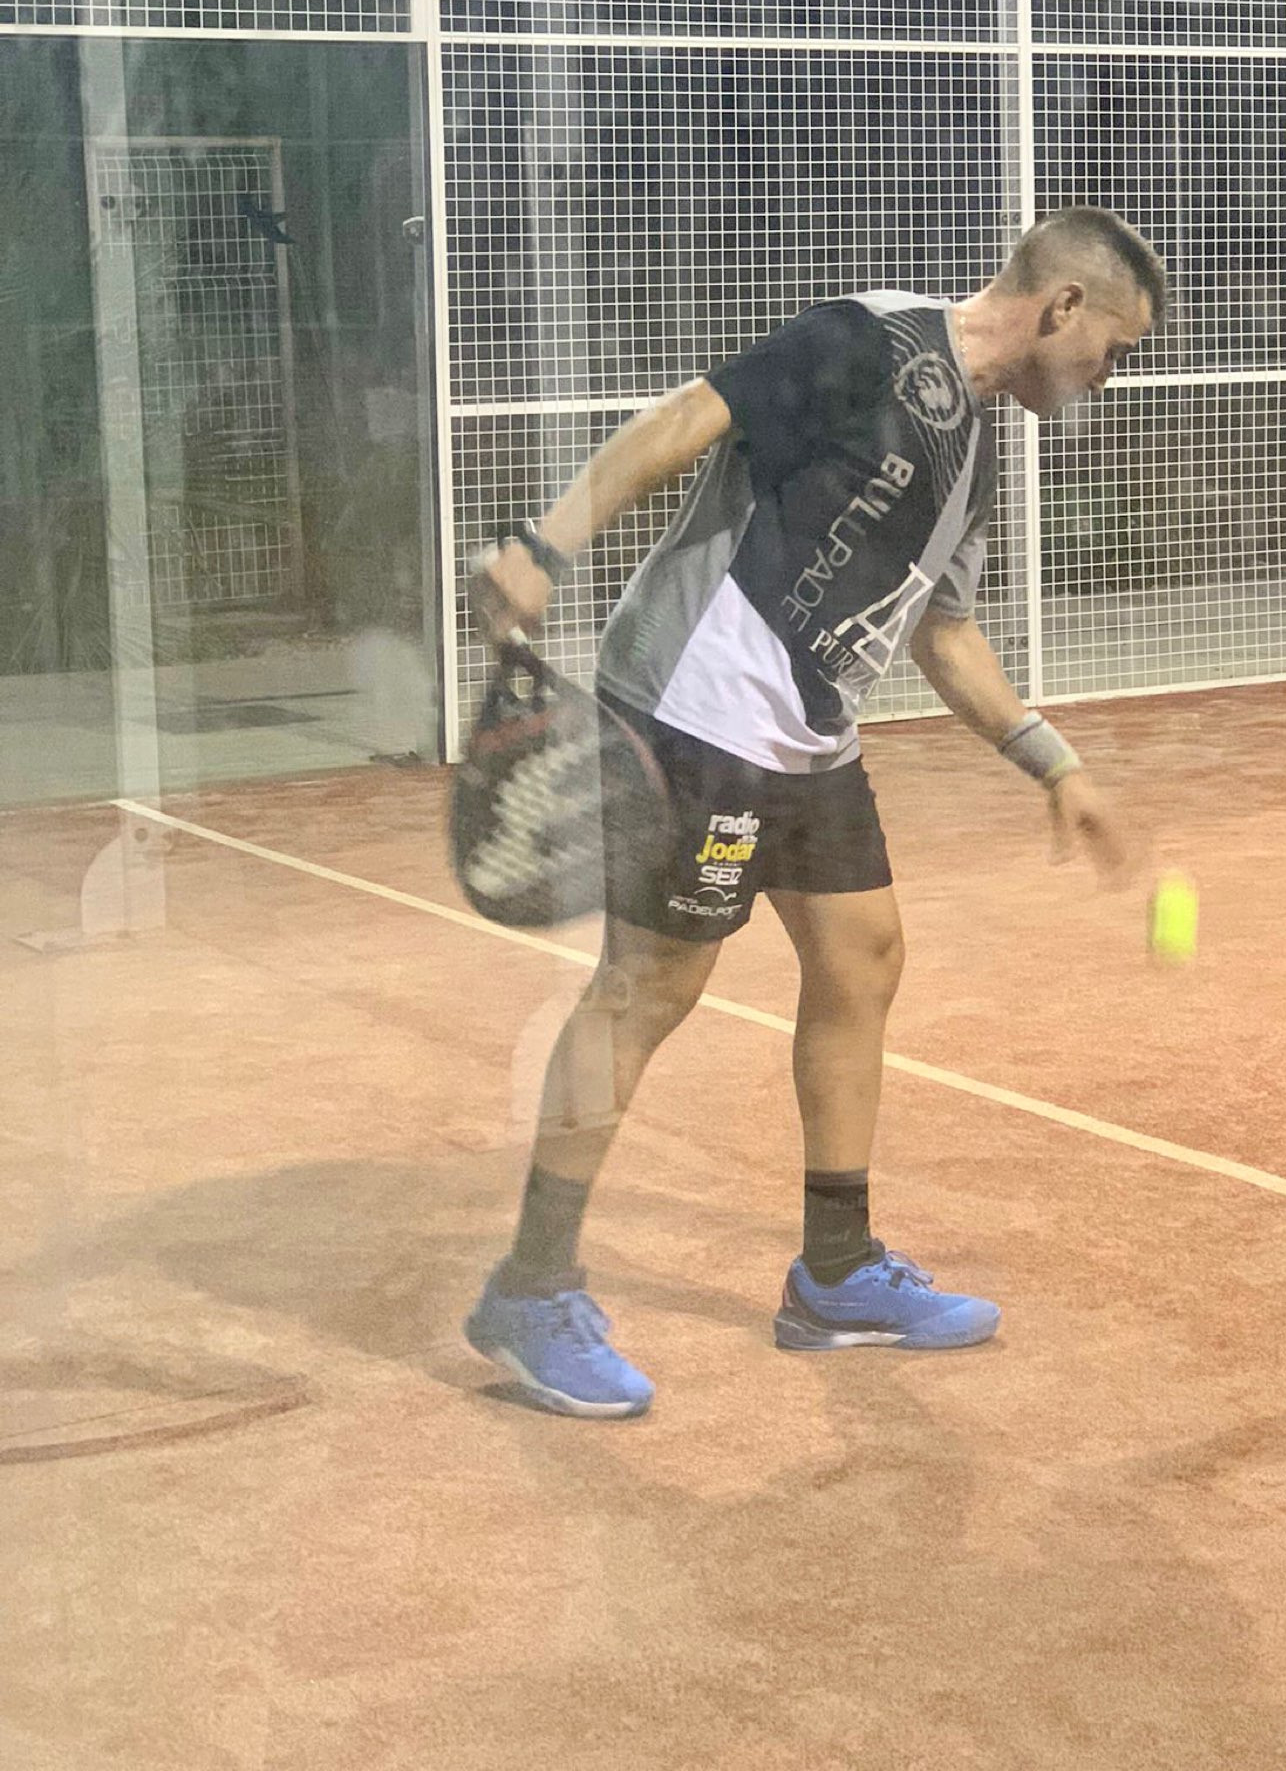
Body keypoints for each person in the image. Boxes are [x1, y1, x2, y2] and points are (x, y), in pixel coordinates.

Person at [464, 206, 1166, 1417]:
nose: (1112, 374)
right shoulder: (867, 341)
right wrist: (544, 543)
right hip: (695, 709)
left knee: (863, 957)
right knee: (647, 989)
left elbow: (943, 636)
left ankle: (835, 1276)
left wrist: (1055, 766)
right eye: (1116, 347)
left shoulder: (976, 453)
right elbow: (685, 422)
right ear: (1062, 307)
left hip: (805, 734)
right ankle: (529, 1292)